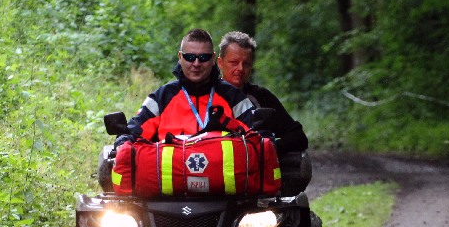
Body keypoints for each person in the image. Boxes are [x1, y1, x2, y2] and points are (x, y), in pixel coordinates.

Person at [119, 28, 255, 144]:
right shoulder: (162, 97)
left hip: (222, 174)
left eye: (203, 58)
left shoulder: (233, 97)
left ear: (213, 59)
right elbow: (133, 132)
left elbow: (258, 134)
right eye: (190, 57)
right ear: (180, 57)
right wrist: (122, 141)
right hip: (171, 174)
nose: (196, 63)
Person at [217, 31, 309, 155]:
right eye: (234, 62)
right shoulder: (207, 96)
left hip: (256, 169)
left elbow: (298, 137)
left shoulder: (261, 97)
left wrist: (268, 149)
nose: (240, 68)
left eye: (246, 64)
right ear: (220, 63)